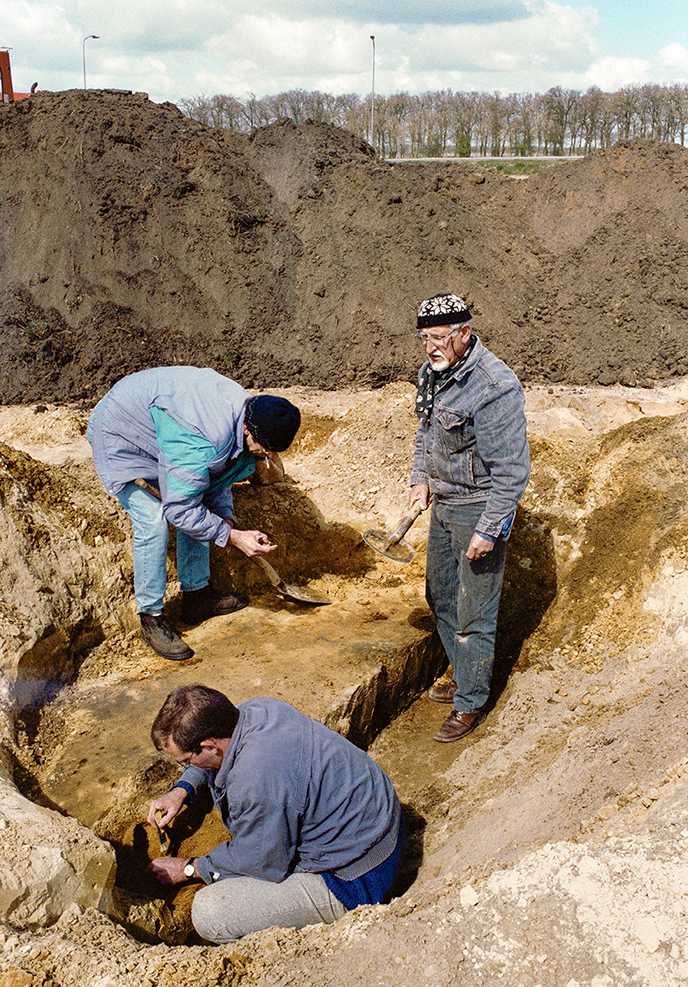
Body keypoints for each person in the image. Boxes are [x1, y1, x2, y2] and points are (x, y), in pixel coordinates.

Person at [146, 685, 404, 942]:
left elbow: (261, 862)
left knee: (210, 913)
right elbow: (216, 754)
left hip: (360, 874)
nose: (187, 767)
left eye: (185, 763)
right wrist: (181, 789)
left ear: (209, 745)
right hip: (379, 819)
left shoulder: (255, 783)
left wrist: (190, 868)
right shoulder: (257, 710)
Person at [88, 367, 301, 660]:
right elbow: (180, 508)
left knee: (198, 501)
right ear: (248, 430)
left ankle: (197, 596)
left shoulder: (252, 413)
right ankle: (151, 618)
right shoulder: (202, 439)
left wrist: (225, 518)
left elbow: (219, 475)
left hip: (167, 429)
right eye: (265, 450)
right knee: (154, 519)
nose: (270, 457)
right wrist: (232, 536)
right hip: (121, 432)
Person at [408, 293, 530, 742]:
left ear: (464, 333)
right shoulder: (433, 374)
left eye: (438, 338)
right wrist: (421, 479)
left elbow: (513, 471)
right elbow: (425, 432)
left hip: (477, 507)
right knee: (439, 594)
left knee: (473, 611)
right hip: (443, 503)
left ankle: (471, 703)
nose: (429, 347)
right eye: (424, 338)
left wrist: (489, 527)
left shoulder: (493, 386)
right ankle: (466, 674)